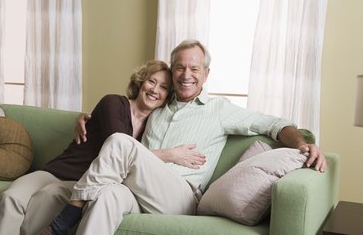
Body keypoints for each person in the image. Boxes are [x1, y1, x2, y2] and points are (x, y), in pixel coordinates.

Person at [38, 39, 327, 235]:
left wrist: (303, 143)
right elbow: (125, 111)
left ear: (206, 73)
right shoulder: (159, 103)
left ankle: (67, 217)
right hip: (137, 188)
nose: (186, 74)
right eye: (179, 67)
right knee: (107, 196)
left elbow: (275, 124)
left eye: (194, 68)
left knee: (120, 143)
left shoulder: (220, 109)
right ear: (172, 70)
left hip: (180, 195)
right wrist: (86, 116)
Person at [0, 60, 174, 235]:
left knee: (48, 197)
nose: (155, 90)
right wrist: (169, 155)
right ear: (141, 82)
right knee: (10, 198)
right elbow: (118, 144)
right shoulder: (114, 103)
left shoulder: (153, 129)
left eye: (163, 87)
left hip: (83, 184)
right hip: (56, 171)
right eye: (151, 81)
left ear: (167, 96)